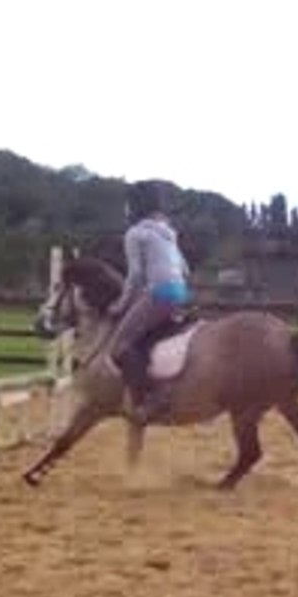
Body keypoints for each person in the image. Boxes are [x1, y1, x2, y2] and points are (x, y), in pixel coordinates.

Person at [108, 180, 190, 425]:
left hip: (160, 293)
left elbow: (134, 276)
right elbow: (185, 270)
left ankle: (149, 400)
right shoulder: (169, 233)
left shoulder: (135, 234)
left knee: (119, 346)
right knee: (145, 339)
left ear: (135, 206)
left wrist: (121, 305)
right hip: (180, 293)